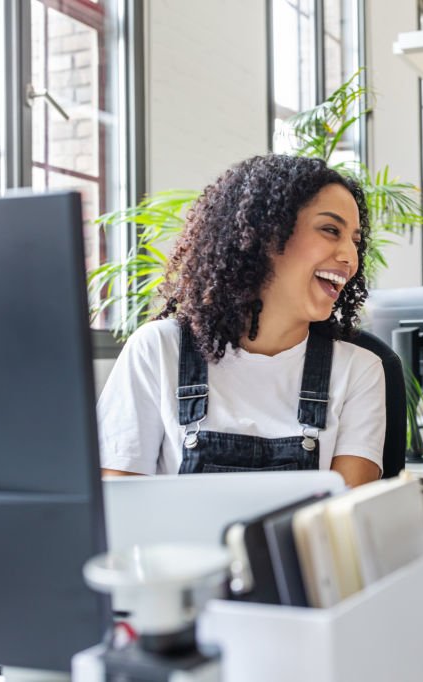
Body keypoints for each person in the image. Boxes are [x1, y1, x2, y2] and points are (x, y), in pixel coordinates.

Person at [97, 154, 385, 487]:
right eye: (330, 230)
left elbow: (345, 524)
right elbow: (120, 512)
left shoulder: (358, 370)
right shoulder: (157, 350)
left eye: (355, 241)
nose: (350, 258)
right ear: (264, 234)